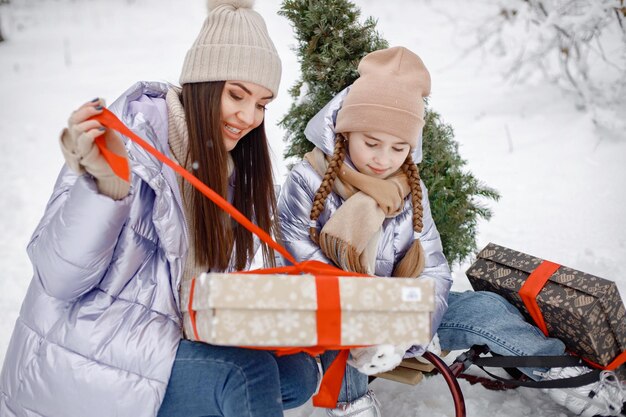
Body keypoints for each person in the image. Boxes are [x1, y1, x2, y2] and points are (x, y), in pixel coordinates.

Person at [0, 1, 320, 416]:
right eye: (236, 95)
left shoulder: (225, 167)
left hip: (162, 342)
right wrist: (103, 189)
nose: (248, 117)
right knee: (245, 375)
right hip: (82, 357)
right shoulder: (127, 145)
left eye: (261, 103)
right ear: (202, 85)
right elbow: (58, 277)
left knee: (297, 373)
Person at [276, 46, 625, 417]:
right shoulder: (309, 180)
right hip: (335, 310)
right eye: (371, 143)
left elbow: (433, 267)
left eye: (398, 148)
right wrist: (373, 317)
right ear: (346, 133)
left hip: (402, 308)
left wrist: (408, 328)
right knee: (345, 334)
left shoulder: (408, 187)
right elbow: (301, 260)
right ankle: (351, 401)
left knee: (486, 307)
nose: (383, 159)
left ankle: (560, 375)